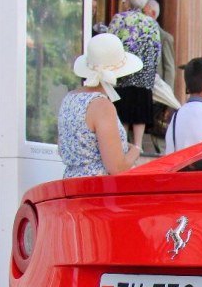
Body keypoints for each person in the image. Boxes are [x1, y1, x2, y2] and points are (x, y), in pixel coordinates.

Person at [57, 33, 142, 178]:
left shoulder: (69, 99)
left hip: (71, 187)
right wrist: (135, 150)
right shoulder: (102, 106)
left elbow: (64, 148)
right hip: (97, 191)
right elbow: (116, 167)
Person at [107, 0, 162, 154]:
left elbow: (109, 42)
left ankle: (123, 144)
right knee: (139, 110)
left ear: (128, 2)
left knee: (122, 109)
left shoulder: (118, 19)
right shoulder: (150, 23)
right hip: (143, 75)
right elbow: (156, 49)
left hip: (121, 73)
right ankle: (137, 146)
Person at [143, 0, 177, 89]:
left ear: (153, 14)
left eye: (144, 13)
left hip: (156, 89)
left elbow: (169, 69)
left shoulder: (165, 38)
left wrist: (168, 93)